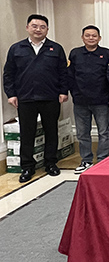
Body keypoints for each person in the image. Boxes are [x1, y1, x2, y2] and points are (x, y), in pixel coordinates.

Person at [3, 14, 68, 183]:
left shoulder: (56, 48)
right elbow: (8, 73)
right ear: (27, 28)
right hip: (26, 98)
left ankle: (51, 163)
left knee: (51, 131)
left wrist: (63, 91)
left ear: (47, 29)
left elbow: (63, 72)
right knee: (27, 133)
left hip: (50, 97)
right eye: (34, 26)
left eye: (42, 27)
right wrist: (11, 94)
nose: (38, 29)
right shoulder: (16, 48)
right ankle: (27, 167)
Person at [68, 25, 109, 174]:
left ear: (99, 38)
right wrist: (73, 93)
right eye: (87, 35)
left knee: (103, 132)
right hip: (80, 101)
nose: (91, 38)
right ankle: (86, 160)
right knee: (82, 133)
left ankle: (102, 160)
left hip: (101, 101)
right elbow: (70, 76)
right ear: (82, 37)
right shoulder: (75, 54)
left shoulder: (107, 54)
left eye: (94, 36)